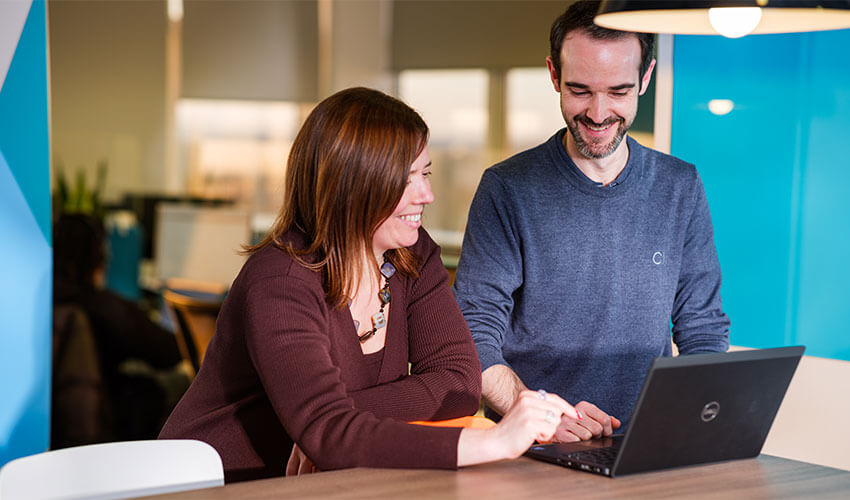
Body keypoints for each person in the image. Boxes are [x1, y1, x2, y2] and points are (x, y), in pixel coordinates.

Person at [158, 87, 579, 483]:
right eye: (408, 179)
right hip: (219, 484)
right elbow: (331, 434)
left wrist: (328, 426)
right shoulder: (280, 281)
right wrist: (497, 440)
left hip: (333, 482)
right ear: (354, 186)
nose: (427, 195)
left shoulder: (414, 256)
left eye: (426, 174)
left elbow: (459, 385)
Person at [453, 0, 730, 443]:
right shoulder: (507, 189)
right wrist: (540, 417)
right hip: (533, 447)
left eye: (618, 92)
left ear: (646, 77)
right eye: (580, 90)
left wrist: (697, 419)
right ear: (553, 75)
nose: (599, 114)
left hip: (648, 442)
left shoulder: (680, 185)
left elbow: (702, 326)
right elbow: (472, 332)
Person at [52, 213, 186, 445]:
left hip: (55, 422)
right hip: (103, 421)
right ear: (98, 257)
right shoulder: (104, 306)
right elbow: (169, 352)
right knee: (181, 382)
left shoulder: (36, 303)